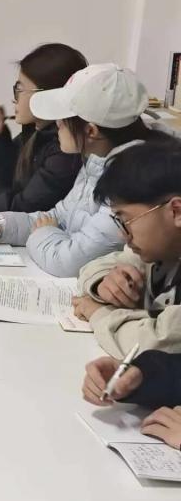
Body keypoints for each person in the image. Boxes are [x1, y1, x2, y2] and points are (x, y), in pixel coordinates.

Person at [0, 64, 161, 278]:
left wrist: (43, 232)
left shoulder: (133, 183)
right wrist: (0, 227)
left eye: (63, 117)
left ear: (91, 131)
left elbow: (67, 261)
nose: (57, 123)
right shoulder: (96, 161)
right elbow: (58, 217)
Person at [72, 140, 181, 359]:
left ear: (176, 211)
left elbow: (154, 342)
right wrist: (102, 284)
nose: (123, 234)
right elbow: (99, 266)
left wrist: (98, 313)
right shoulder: (161, 247)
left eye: (126, 220)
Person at [0, 43, 87, 214]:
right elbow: (10, 177)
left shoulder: (66, 149)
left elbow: (25, 207)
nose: (15, 99)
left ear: (48, 96)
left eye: (20, 89)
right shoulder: (37, 131)